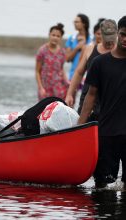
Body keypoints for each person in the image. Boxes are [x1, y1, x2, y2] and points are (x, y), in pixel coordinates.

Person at [78, 16, 126, 187]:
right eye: (123, 34)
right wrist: (79, 128)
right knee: (103, 187)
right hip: (107, 132)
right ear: (117, 34)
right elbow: (90, 97)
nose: (125, 39)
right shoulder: (100, 63)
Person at [65, 19, 117, 121]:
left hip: (110, 101)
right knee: (83, 128)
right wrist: (69, 94)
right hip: (88, 97)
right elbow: (79, 72)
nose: (109, 41)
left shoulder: (119, 52)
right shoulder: (90, 49)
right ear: (100, 34)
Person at [35, 23, 69, 101]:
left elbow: (61, 69)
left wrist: (67, 81)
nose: (55, 38)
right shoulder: (42, 51)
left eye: (58, 36)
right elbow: (37, 71)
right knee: (44, 110)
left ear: (61, 38)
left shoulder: (62, 52)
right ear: (49, 35)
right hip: (45, 89)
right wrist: (40, 88)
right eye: (53, 35)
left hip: (59, 89)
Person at [66, 13, 91, 80]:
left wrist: (84, 47)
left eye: (77, 22)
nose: (74, 23)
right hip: (73, 75)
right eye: (74, 22)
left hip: (88, 76)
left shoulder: (92, 39)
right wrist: (77, 48)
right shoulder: (71, 39)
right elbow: (67, 59)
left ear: (84, 23)